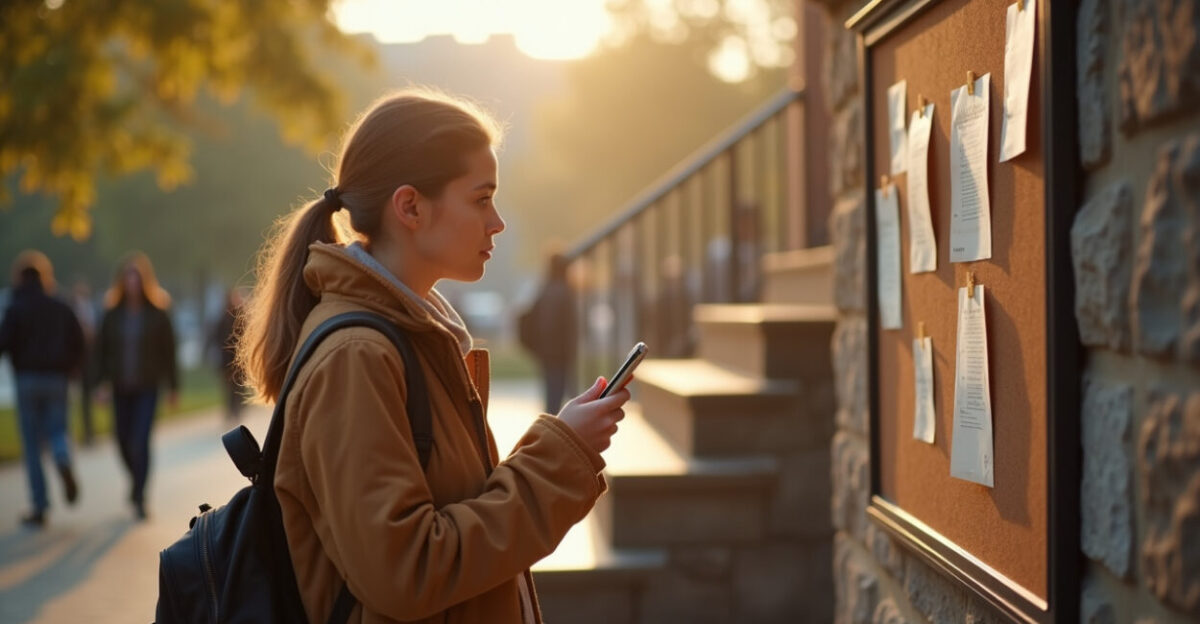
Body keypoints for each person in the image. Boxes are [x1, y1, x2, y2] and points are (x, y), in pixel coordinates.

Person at [236, 88, 630, 624]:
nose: (497, 222)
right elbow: (407, 571)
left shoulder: (410, 338)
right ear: (410, 207)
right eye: (481, 199)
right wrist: (558, 458)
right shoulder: (356, 358)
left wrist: (563, 442)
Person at [0, 251, 84, 528]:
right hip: (57, 379)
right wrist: (71, 367)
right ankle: (62, 457)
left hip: (26, 380)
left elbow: (4, 341)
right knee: (58, 429)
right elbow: (79, 340)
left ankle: (40, 505)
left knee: (32, 444)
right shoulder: (60, 305)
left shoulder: (16, 307)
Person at [94, 252, 178, 520]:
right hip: (120, 387)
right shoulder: (112, 314)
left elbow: (169, 351)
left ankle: (140, 496)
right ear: (122, 282)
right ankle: (136, 480)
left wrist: (173, 387)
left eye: (137, 278)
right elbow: (101, 352)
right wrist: (101, 384)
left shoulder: (158, 312)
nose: (132, 283)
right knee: (122, 440)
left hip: (147, 387)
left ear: (144, 281)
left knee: (140, 440)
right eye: (128, 278)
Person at [522, 251, 579, 413]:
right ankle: (554, 423)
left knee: (552, 393)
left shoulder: (545, 289)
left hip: (547, 352)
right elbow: (563, 326)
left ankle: (553, 420)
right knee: (557, 394)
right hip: (559, 352)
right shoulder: (563, 291)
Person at [210, 286, 247, 421]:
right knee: (229, 387)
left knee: (238, 385)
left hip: (239, 360)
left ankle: (237, 409)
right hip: (227, 360)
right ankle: (231, 409)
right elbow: (216, 337)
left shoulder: (241, 318)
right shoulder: (223, 318)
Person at [69, 278, 98, 445]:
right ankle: (75, 435)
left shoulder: (92, 308)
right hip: (75, 362)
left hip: (88, 360)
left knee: (87, 399)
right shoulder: (71, 310)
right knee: (74, 400)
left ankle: (88, 433)